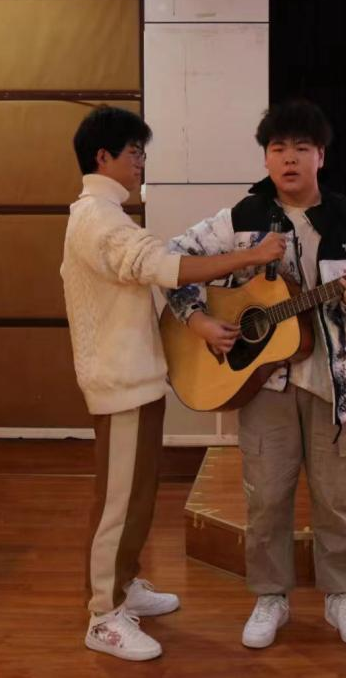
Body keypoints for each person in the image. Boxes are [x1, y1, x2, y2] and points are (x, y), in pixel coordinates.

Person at [163, 99, 346, 650]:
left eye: (301, 148)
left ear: (321, 156)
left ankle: (342, 595)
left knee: (337, 499)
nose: (289, 158)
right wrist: (198, 320)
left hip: (335, 386)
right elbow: (173, 260)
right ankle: (270, 596)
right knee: (266, 498)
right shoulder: (240, 220)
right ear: (266, 159)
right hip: (262, 385)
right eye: (278, 149)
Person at [60, 105, 284, 661]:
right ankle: (104, 615)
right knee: (118, 501)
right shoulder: (98, 219)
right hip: (119, 383)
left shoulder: (107, 214)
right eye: (134, 152)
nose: (141, 163)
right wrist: (254, 255)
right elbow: (170, 268)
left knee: (137, 494)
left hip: (137, 379)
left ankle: (125, 582)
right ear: (103, 157)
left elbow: (155, 268)